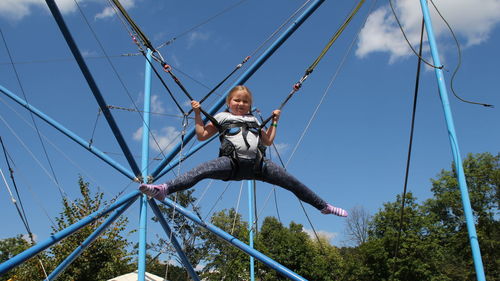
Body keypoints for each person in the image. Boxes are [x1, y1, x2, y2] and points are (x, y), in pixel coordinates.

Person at [139, 85, 347, 217]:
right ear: (229, 102)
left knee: (292, 182)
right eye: (237, 100)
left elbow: (267, 142)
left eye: (245, 101)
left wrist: (275, 121)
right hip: (231, 163)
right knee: (201, 170)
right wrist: (197, 113)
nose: (240, 104)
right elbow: (202, 135)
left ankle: (323, 206)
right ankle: (164, 189)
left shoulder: (254, 120)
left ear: (250, 105)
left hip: (258, 166)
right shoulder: (221, 117)